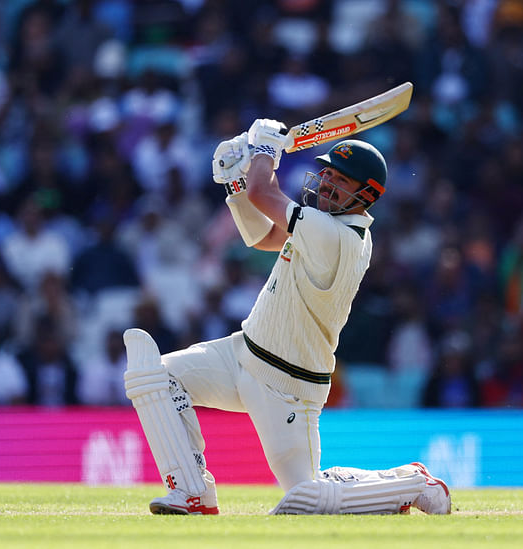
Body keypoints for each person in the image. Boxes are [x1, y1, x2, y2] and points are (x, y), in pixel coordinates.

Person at [122, 119, 451, 515]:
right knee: (154, 377)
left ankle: (411, 483)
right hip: (242, 354)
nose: (326, 182)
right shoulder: (321, 224)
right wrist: (234, 183)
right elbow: (260, 236)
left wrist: (263, 152)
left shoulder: (335, 236)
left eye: (340, 180)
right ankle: (193, 493)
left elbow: (264, 192)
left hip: (287, 385)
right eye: (327, 172)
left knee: (305, 498)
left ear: (366, 194)